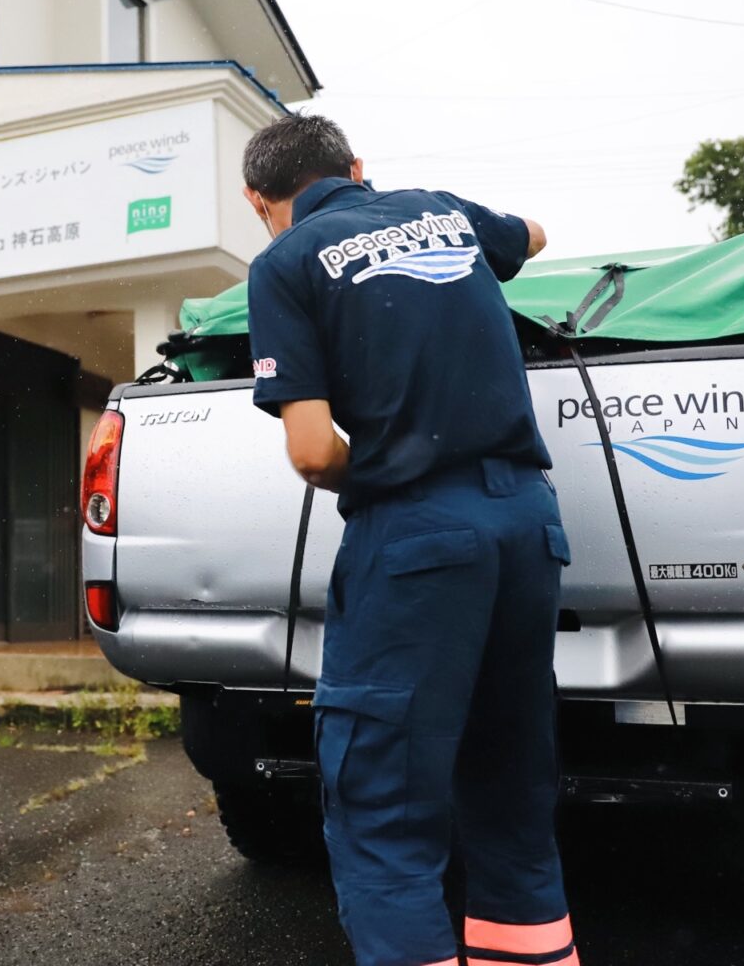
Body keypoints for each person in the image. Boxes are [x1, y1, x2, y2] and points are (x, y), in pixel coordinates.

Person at [241, 114, 577, 966]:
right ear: (357, 167)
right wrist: (484, 237)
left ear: (259, 201)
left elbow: (313, 450)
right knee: (510, 783)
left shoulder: (282, 265)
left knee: (384, 798)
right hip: (528, 524)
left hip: (419, 536)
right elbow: (532, 233)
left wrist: (391, 471)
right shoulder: (439, 209)